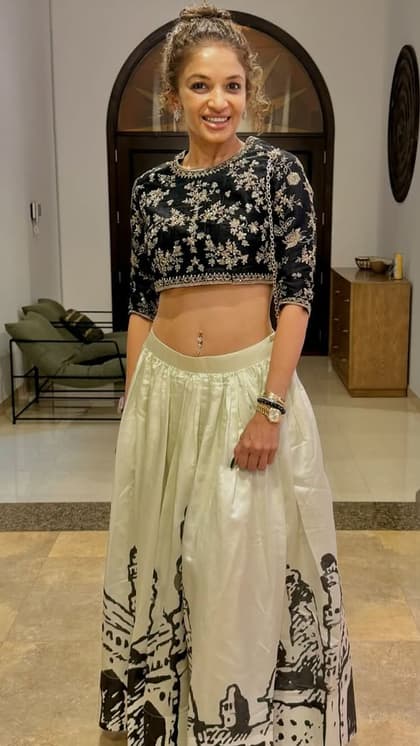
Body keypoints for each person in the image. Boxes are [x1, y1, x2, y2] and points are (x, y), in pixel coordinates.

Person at [98, 5, 357, 745]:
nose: (219, 101)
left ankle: (237, 722)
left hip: (247, 392)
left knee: (233, 566)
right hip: (165, 391)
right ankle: (165, 715)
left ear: (251, 93)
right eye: (201, 85)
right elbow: (141, 301)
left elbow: (297, 296)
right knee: (162, 556)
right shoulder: (150, 190)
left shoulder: (279, 174)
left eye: (233, 85)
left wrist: (270, 407)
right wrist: (135, 396)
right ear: (172, 94)